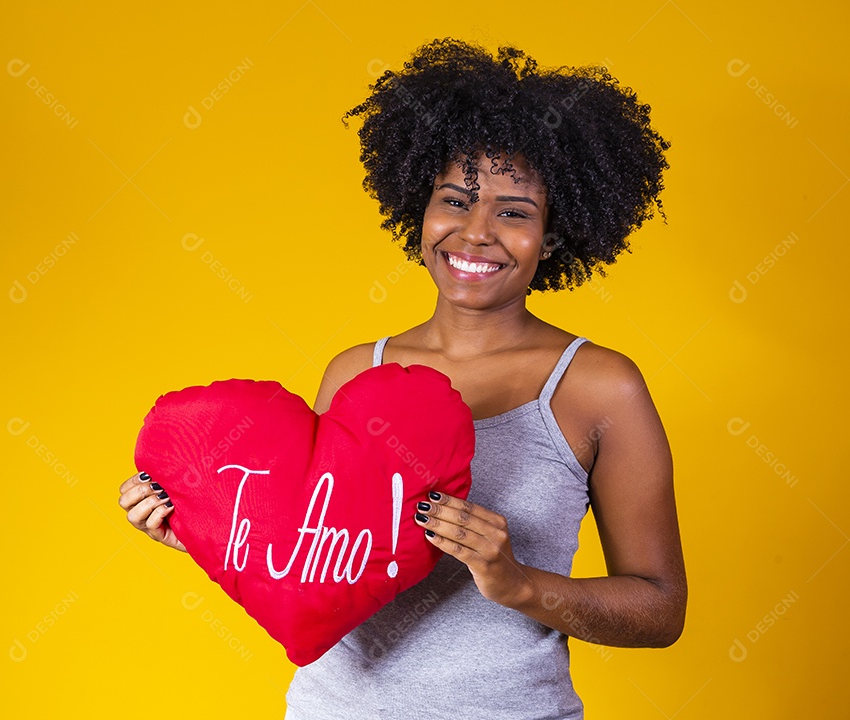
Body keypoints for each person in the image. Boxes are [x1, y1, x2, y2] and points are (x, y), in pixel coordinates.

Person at [119, 38, 686, 719]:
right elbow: (309, 564)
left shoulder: (599, 387)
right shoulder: (359, 371)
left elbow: (659, 610)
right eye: (454, 200)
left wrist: (516, 584)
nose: (476, 233)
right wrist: (210, 530)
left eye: (514, 212)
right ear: (419, 209)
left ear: (555, 235)